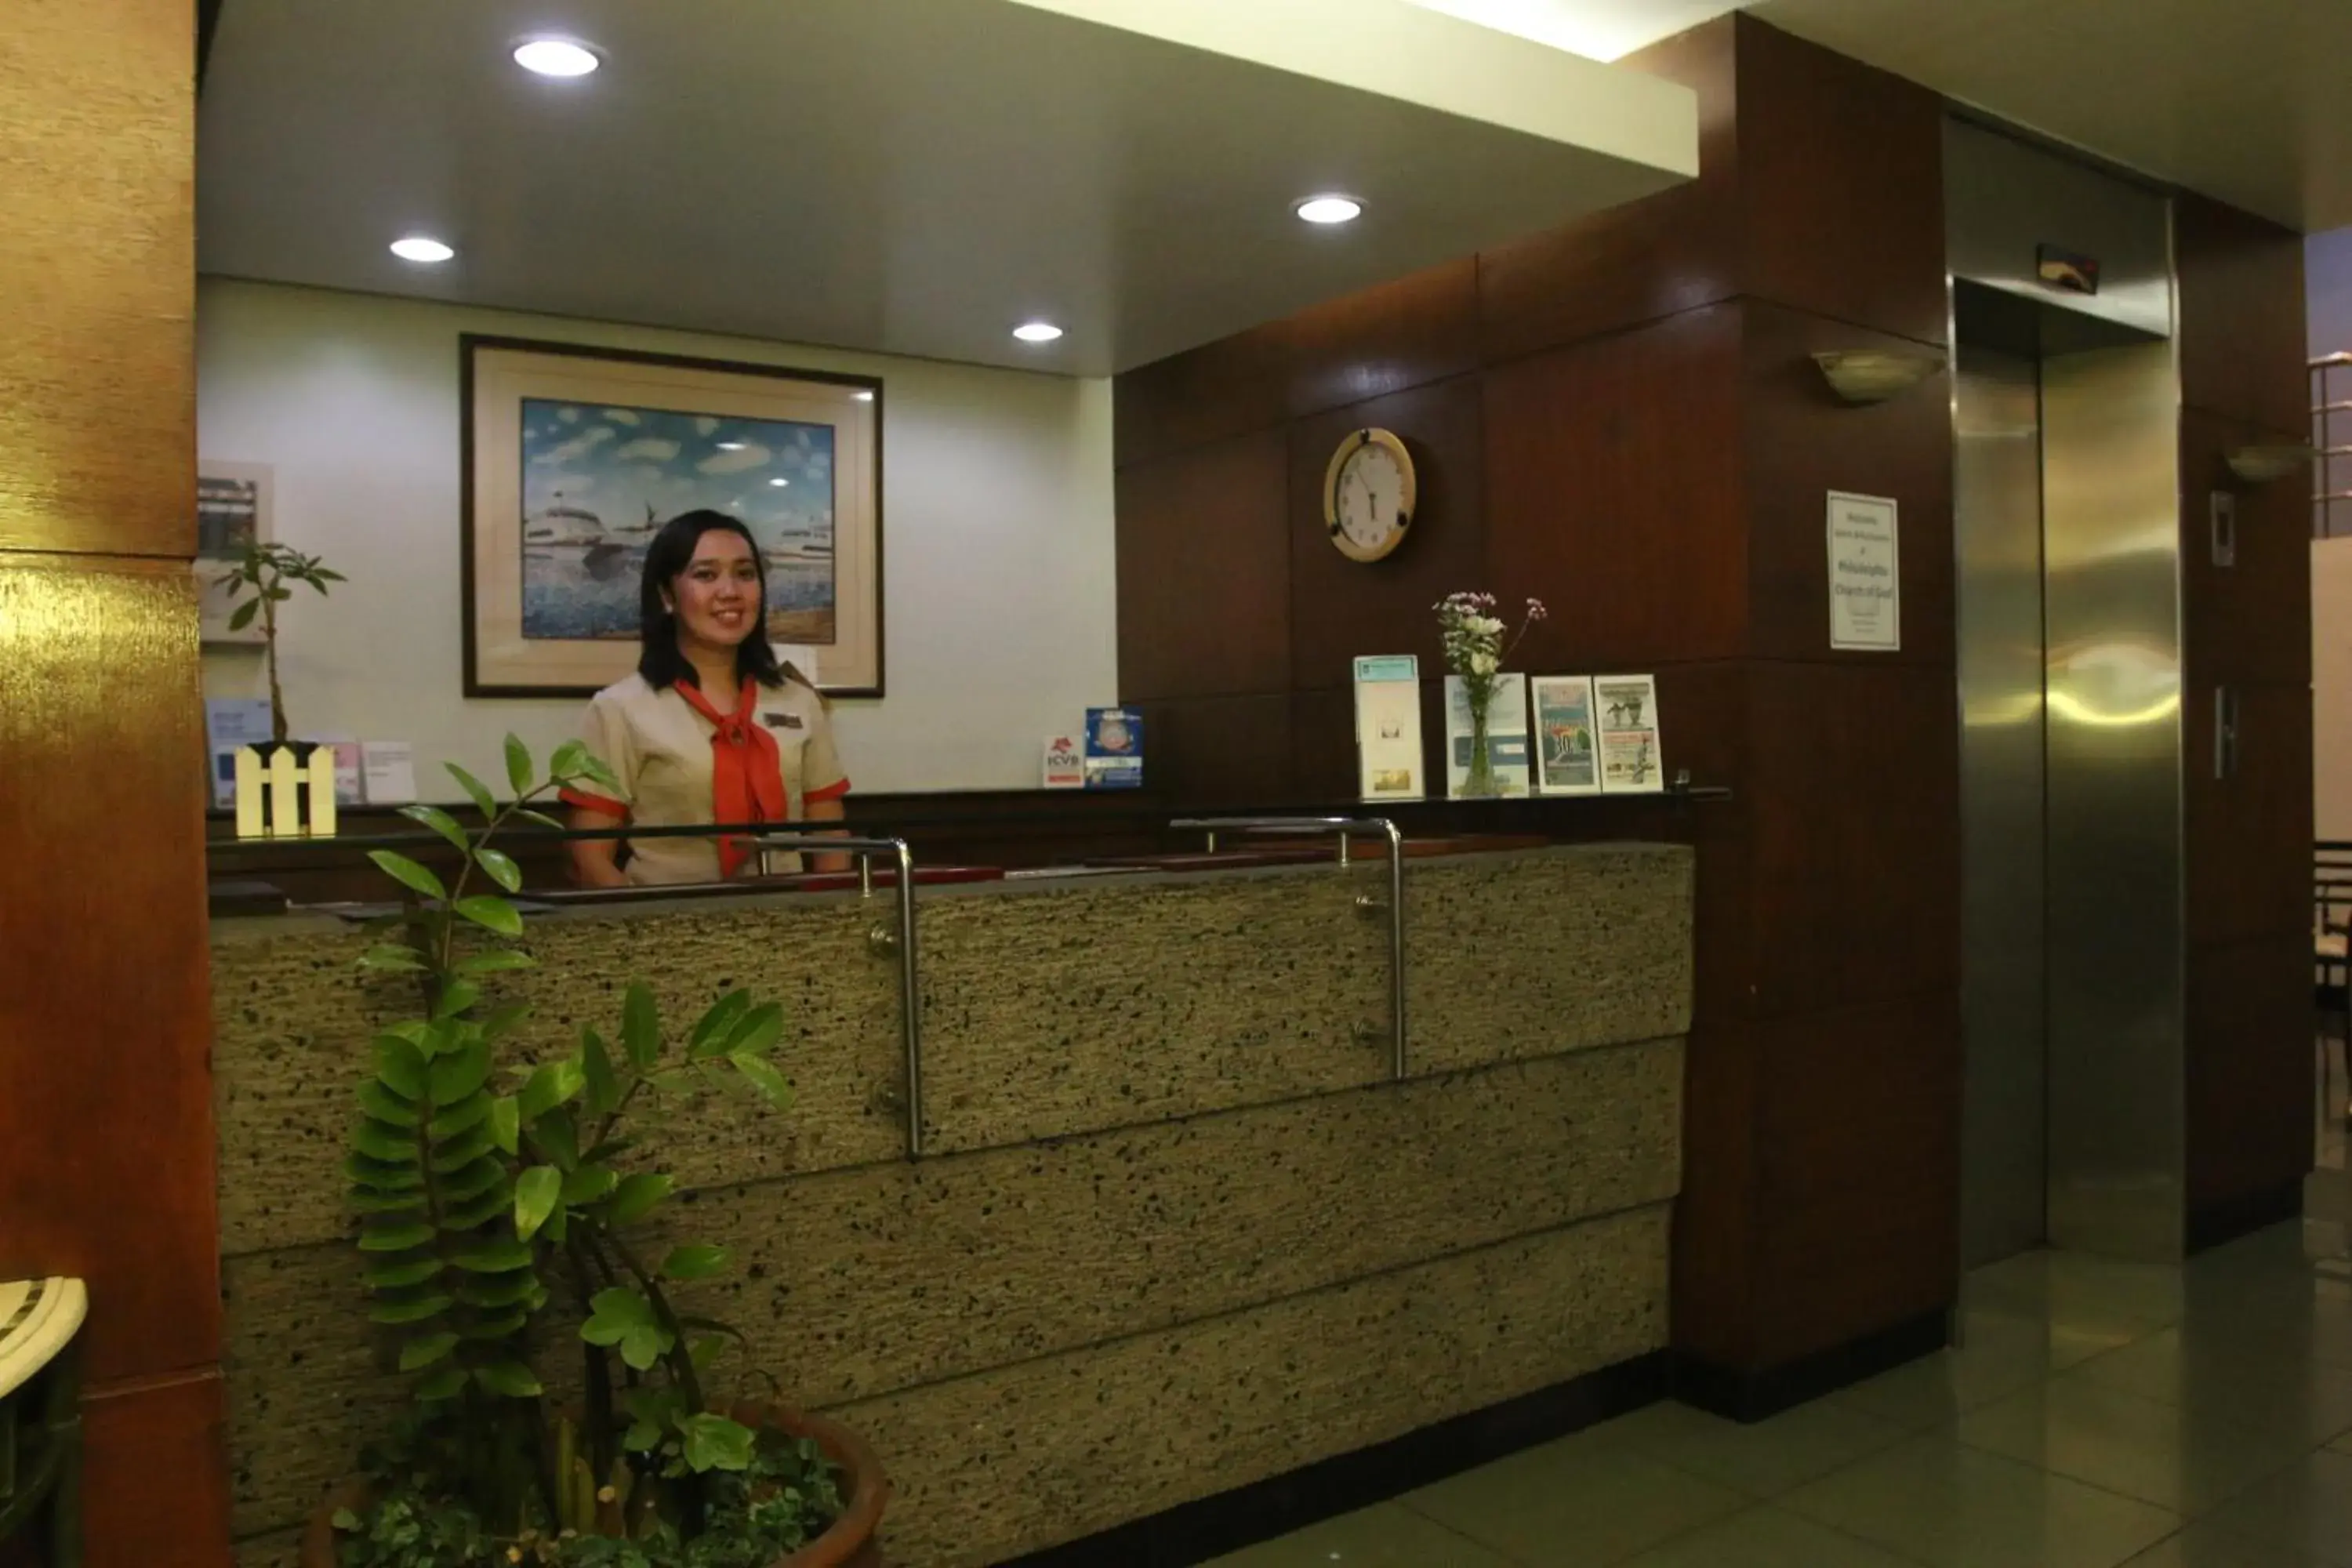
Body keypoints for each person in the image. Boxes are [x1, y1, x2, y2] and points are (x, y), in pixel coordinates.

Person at [561, 510, 850, 886]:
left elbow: (831, 839)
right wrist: (647, 931)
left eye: (745, 574)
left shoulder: (800, 703)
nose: (730, 592)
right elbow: (588, 857)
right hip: (667, 926)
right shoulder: (620, 708)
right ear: (667, 595)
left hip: (788, 924)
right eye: (705, 575)